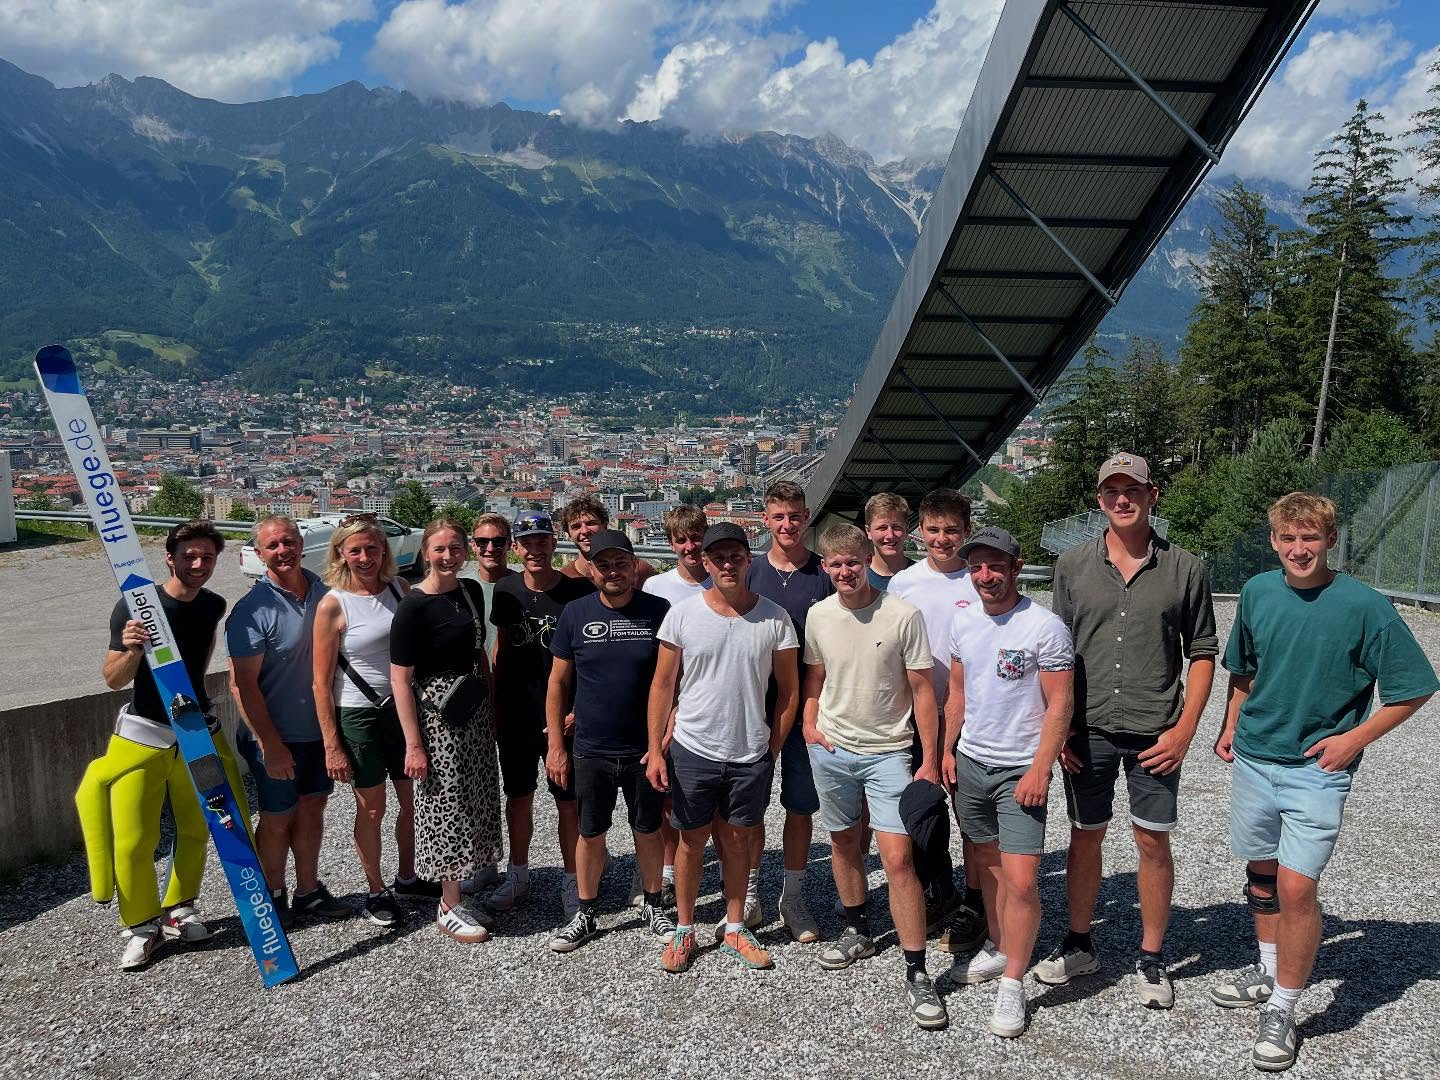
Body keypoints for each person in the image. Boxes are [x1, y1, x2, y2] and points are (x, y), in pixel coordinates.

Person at [1212, 493, 1437, 1072]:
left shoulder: (1365, 606)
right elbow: (1245, 669)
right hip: (1256, 758)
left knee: (1295, 889)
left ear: (1331, 541)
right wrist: (1229, 727)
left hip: (1315, 771)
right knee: (1261, 873)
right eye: (1288, 538)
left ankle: (1284, 1009)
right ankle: (1267, 970)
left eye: (1310, 538)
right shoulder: (1259, 593)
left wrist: (1352, 740)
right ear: (1273, 542)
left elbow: (1413, 688)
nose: (1298, 549)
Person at [1033, 453, 1217, 1009]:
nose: (1121, 499)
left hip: (1155, 731)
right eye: (1111, 490)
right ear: (1099, 499)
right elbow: (1055, 652)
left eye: (1131, 489)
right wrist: (1057, 728)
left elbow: (1203, 652)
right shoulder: (1071, 566)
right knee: (1085, 835)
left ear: (1151, 494)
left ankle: (1153, 957)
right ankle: (1079, 941)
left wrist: (1186, 729)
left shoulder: (1186, 568)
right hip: (1086, 728)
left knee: (1151, 840)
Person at [83, 520, 247, 969]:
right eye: (189, 556)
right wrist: (132, 650)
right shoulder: (135, 605)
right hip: (145, 734)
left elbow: (200, 662)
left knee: (197, 829)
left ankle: (180, 907)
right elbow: (113, 679)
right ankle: (140, 926)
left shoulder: (214, 604)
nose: (198, 564)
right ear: (170, 558)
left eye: (207, 557)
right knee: (136, 838)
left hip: (194, 733)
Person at [802, 524, 948, 1030]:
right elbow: (815, 677)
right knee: (843, 843)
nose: (845, 572)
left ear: (868, 559)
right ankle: (857, 927)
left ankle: (917, 967)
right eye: (835, 565)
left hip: (889, 751)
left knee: (898, 858)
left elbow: (923, 690)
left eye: (853, 562)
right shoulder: (817, 615)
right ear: (825, 567)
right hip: (834, 748)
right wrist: (808, 724)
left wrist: (928, 758)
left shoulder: (902, 614)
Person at [646, 523, 800, 974]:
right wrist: (656, 749)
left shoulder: (774, 618)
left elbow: (789, 691)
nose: (727, 564)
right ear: (706, 563)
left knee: (736, 841)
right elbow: (662, 684)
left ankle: (734, 926)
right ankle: (685, 928)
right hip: (694, 747)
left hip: (749, 750)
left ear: (748, 559)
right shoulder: (683, 614)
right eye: (718, 558)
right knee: (691, 842)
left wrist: (771, 746)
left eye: (735, 556)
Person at [943, 527, 1074, 1039]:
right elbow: (957, 693)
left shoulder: (1044, 627)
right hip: (972, 761)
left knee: (1021, 881)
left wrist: (1042, 767)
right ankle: (998, 948)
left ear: (1016, 567)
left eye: (995, 566)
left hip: (1021, 768)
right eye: (976, 567)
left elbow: (1060, 702)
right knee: (989, 866)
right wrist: (945, 753)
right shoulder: (963, 621)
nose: (985, 576)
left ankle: (1014, 983)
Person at [544, 530, 675, 952]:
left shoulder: (659, 610)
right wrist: (556, 747)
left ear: (634, 566)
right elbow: (557, 683)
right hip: (591, 747)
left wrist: (666, 735)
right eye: (604, 565)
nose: (613, 571)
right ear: (593, 569)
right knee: (590, 832)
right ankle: (585, 911)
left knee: (649, 829)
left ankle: (653, 904)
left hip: (644, 748)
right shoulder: (576, 613)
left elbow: (676, 679)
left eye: (621, 563)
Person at [228, 515, 350, 928]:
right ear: (259, 554)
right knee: (278, 816)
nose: (283, 551)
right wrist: (270, 744)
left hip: (318, 731)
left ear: (301, 544)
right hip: (275, 735)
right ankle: (274, 895)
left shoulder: (325, 592)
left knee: (313, 809)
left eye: (288, 542)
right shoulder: (252, 611)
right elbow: (242, 686)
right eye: (273, 546)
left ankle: (309, 890)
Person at [388, 518, 506, 941]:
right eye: (440, 549)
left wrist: (488, 704)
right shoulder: (413, 606)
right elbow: (400, 679)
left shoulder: (470, 591)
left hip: (470, 707)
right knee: (444, 802)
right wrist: (413, 744)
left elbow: (479, 653)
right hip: (436, 715)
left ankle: (460, 890)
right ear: (425, 552)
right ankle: (448, 903)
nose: (449, 556)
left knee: (475, 795)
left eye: (456, 548)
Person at [312, 513, 421, 930]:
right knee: (372, 807)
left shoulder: (399, 588)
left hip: (402, 707)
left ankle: (407, 875)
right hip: (358, 712)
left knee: (413, 800)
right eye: (354, 550)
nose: (364, 557)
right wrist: (331, 743)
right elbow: (320, 683)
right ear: (340, 553)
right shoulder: (332, 604)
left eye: (372, 548)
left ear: (384, 551)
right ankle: (376, 889)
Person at [888, 488, 985, 950]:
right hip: (916, 712)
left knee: (971, 813)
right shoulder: (904, 582)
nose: (942, 539)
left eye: (951, 531)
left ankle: (975, 901)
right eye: (933, 530)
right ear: (919, 532)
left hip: (972, 712)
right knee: (922, 809)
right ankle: (938, 888)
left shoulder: (979, 580)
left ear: (966, 532)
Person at [488, 512, 596, 919]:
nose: (535, 550)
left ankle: (573, 880)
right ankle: (518, 875)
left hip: (564, 717)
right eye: (527, 543)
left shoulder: (577, 591)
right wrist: (497, 703)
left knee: (567, 802)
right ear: (516, 548)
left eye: (542, 541)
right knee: (518, 799)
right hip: (517, 713)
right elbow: (501, 650)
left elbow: (588, 659)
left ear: (554, 545)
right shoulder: (506, 589)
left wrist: (577, 711)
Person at [743, 480, 832, 943]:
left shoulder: (824, 573)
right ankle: (753, 889)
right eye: (779, 517)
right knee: (752, 805)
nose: (787, 525)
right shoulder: (750, 570)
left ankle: (792, 896)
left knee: (800, 807)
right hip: (753, 707)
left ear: (806, 516)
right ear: (765, 519)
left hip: (807, 710)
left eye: (795, 516)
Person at [638, 502, 713, 907]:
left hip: (707, 702)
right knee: (667, 794)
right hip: (669, 700)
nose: (690, 546)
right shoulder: (656, 588)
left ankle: (697, 865)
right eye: (681, 540)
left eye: (696, 537)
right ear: (670, 543)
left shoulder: (722, 581)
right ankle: (668, 871)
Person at [459, 511, 515, 895]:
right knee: (478, 784)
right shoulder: (461, 589)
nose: (490, 548)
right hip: (475, 697)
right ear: (473, 545)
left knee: (522, 787)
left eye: (498, 541)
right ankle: (484, 860)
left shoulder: (522, 584)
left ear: (510, 544)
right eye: (483, 542)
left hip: (520, 694)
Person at [557, 495, 655, 584]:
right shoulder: (565, 579)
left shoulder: (639, 571)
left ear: (605, 525)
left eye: (591, 523)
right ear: (569, 534)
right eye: (576, 527)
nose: (585, 531)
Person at [864, 492, 911, 590]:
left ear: (907, 529)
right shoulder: (856, 580)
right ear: (868, 531)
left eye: (896, 527)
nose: (890, 535)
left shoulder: (925, 578)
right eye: (882, 528)